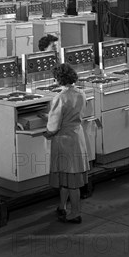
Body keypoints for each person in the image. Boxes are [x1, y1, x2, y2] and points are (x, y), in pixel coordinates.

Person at [44, 63, 90, 224]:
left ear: (58, 79)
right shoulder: (80, 93)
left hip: (64, 141)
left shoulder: (60, 97)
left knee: (72, 183)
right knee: (67, 178)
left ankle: (75, 213)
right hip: (77, 137)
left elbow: (54, 125)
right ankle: (61, 206)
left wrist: (46, 132)